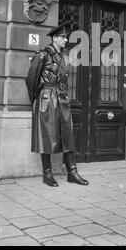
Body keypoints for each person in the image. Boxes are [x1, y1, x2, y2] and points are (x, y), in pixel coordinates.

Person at [25, 23, 89, 187]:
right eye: (63, 37)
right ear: (54, 38)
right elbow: (31, 79)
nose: (66, 40)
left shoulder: (64, 55)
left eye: (66, 37)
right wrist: (37, 100)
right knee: (46, 136)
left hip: (62, 99)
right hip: (46, 99)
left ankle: (72, 173)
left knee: (68, 135)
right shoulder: (43, 55)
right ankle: (47, 174)